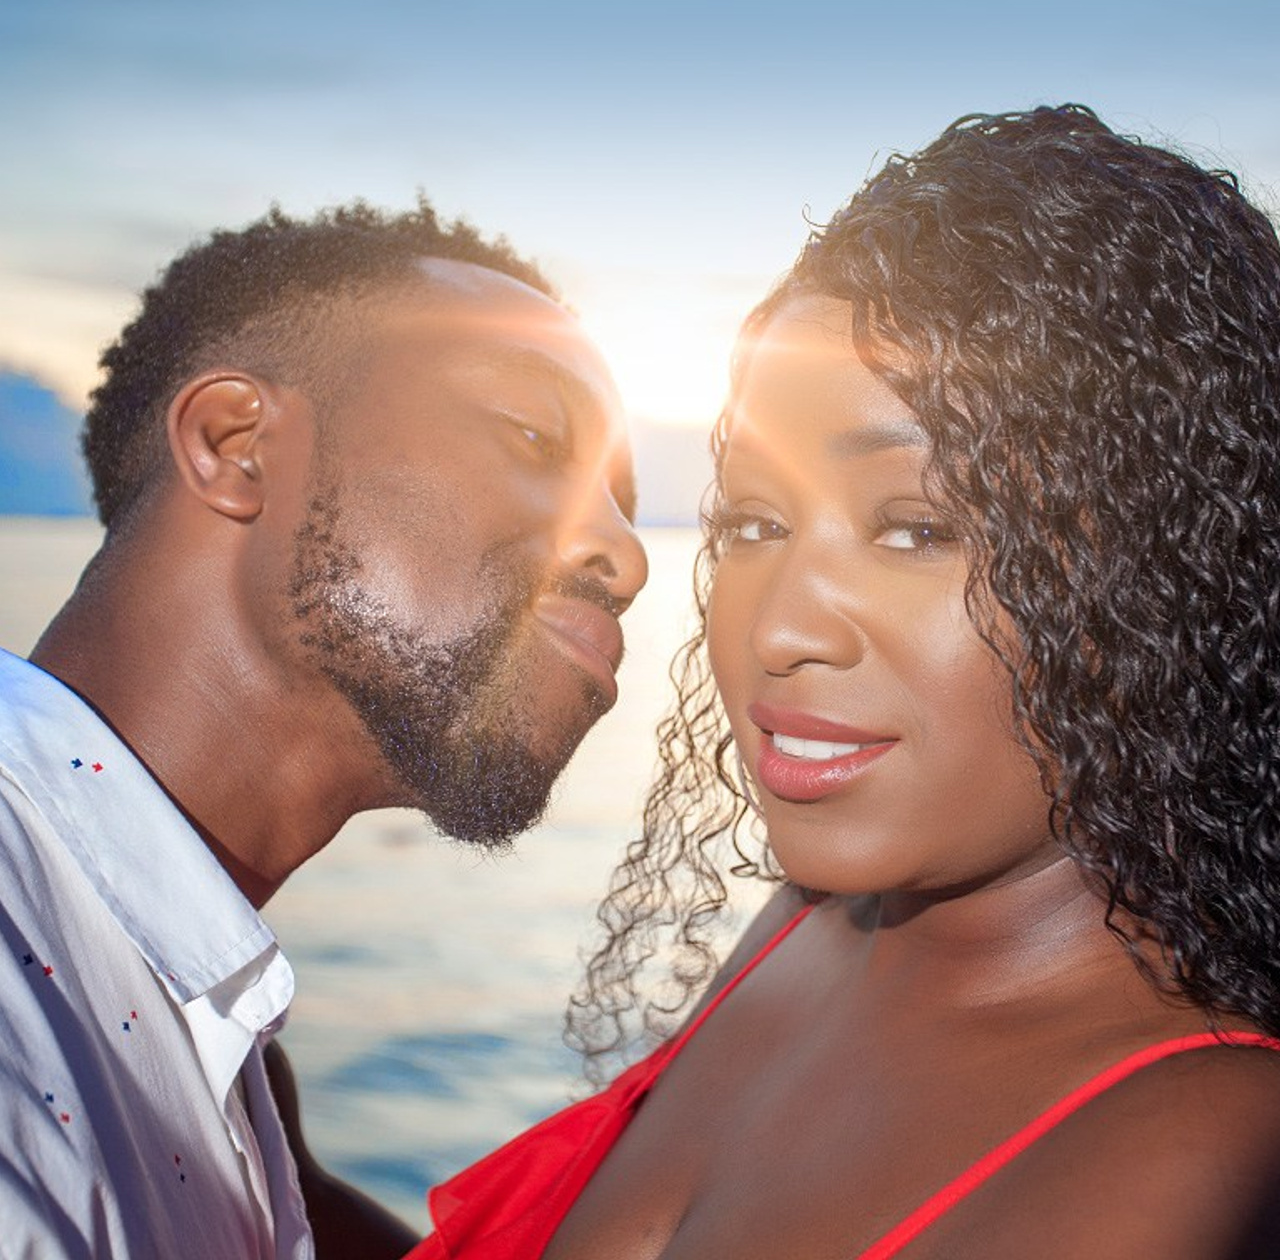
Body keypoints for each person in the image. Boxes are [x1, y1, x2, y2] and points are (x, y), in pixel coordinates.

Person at [399, 106, 1280, 1258]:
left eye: (914, 528)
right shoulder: (813, 925)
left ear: (1161, 577)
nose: (780, 624)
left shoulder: (1199, 1159)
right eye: (754, 519)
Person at [0, 199, 648, 1259]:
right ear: (235, 444)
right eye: (535, 436)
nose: (626, 558)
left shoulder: (207, 1052)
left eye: (625, 503)